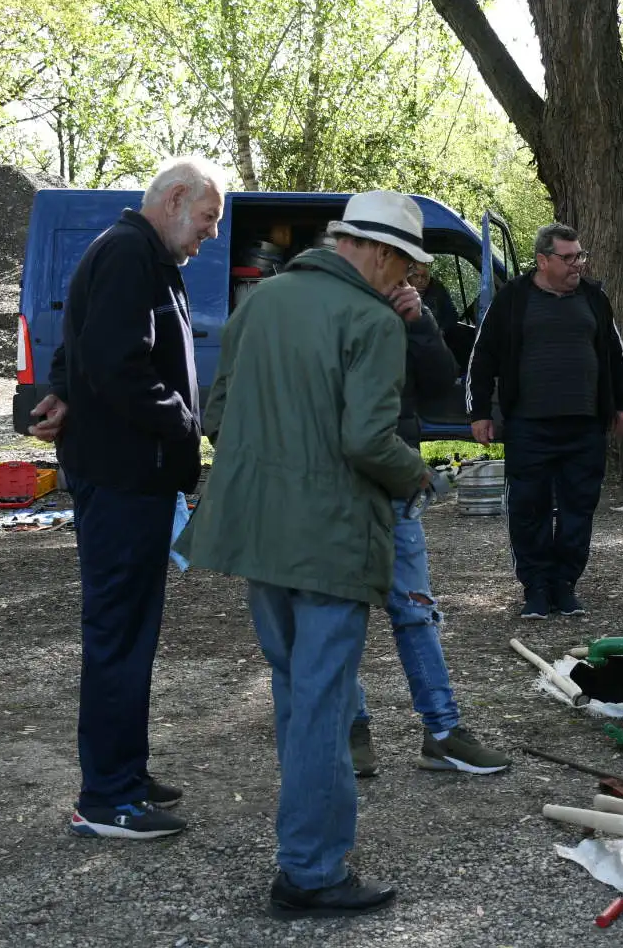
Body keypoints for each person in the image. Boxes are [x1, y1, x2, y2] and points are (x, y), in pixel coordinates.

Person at [175, 190, 432, 921]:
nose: (405, 281)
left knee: (297, 692)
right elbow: (367, 442)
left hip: (259, 530)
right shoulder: (371, 321)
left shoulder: (261, 300)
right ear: (378, 252)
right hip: (329, 539)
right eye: (404, 265)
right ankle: (311, 871)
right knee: (321, 703)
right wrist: (415, 472)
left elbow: (217, 413)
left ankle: (306, 850)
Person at [27, 155, 227, 841]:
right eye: (206, 221)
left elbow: (73, 355)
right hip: (121, 474)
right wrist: (185, 422)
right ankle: (107, 796)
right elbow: (115, 364)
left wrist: (58, 391)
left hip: (131, 474)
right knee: (118, 634)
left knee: (132, 634)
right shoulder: (126, 255)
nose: (208, 238)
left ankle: (126, 772)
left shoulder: (138, 255)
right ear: (174, 199)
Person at [349, 265, 511, 779]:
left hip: (397, 484)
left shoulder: (408, 307)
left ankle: (442, 734)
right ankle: (350, 729)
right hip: (337, 487)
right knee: (342, 614)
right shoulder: (326, 304)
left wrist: (420, 324)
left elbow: (443, 384)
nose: (401, 275)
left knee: (416, 610)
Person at [465, 223, 623, 619]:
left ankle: (564, 585)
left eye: (581, 255)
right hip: (529, 425)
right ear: (543, 260)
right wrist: (478, 414)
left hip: (585, 425)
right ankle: (536, 588)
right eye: (569, 257)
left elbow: (615, 354)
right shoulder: (513, 300)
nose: (578, 264)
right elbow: (481, 357)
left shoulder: (594, 299)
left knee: (579, 508)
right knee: (529, 508)